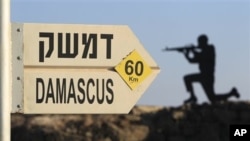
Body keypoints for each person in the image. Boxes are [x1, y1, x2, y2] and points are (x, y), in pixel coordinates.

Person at [182, 34, 240, 104]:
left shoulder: (210, 48)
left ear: (204, 42)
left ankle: (231, 93)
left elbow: (202, 56)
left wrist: (193, 51)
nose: (198, 44)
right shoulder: (203, 51)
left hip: (207, 76)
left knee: (212, 98)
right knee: (187, 79)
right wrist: (186, 55)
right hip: (203, 76)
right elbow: (193, 61)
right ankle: (192, 96)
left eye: (199, 42)